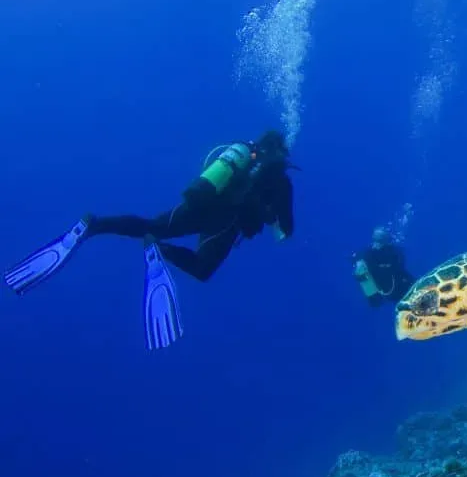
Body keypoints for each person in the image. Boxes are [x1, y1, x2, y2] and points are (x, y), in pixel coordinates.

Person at [3, 129, 296, 349]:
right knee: (202, 269)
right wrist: (272, 219)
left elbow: (208, 183)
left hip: (200, 205)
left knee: (150, 224)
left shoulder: (243, 155)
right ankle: (160, 250)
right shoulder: (280, 180)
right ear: (282, 152)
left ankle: (93, 225)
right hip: (224, 224)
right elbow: (286, 228)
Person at [352, 227, 413, 307]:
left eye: (379, 241)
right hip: (383, 290)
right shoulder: (368, 253)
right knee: (376, 303)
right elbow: (356, 258)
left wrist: (381, 267)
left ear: (385, 241)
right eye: (375, 240)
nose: (376, 244)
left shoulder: (394, 252)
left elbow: (399, 267)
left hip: (398, 286)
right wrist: (357, 272)